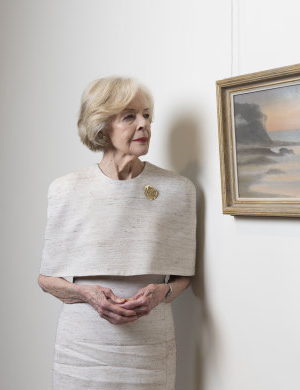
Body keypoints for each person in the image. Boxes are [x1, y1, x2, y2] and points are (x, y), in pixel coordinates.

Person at [38, 76, 196, 389]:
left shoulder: (178, 190)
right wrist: (86, 293)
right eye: (130, 116)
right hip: (83, 346)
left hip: (150, 345)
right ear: (101, 125)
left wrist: (160, 293)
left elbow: (183, 276)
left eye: (147, 115)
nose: (144, 125)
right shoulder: (66, 189)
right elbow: (46, 279)